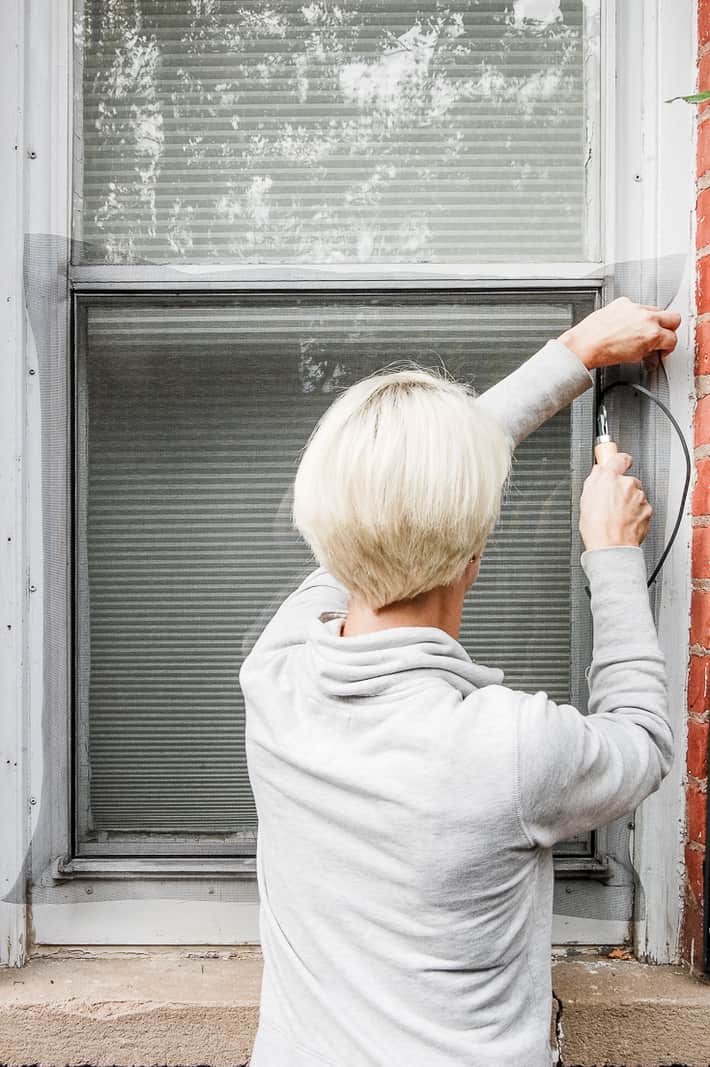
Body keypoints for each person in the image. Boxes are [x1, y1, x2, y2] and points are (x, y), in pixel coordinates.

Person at [239, 297, 681, 1067]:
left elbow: (384, 499)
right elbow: (642, 740)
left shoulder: (275, 675)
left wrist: (575, 352)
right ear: (476, 554)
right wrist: (612, 554)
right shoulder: (510, 744)